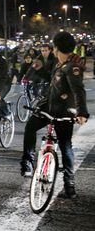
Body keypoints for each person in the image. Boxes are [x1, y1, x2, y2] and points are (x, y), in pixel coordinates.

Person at [20, 32, 89, 199]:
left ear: (57, 48)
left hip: (64, 112)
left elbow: (78, 90)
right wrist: (41, 69)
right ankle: (27, 162)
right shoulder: (61, 64)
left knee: (66, 147)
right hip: (49, 107)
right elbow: (53, 81)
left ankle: (69, 185)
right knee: (30, 127)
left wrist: (81, 112)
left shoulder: (72, 67)